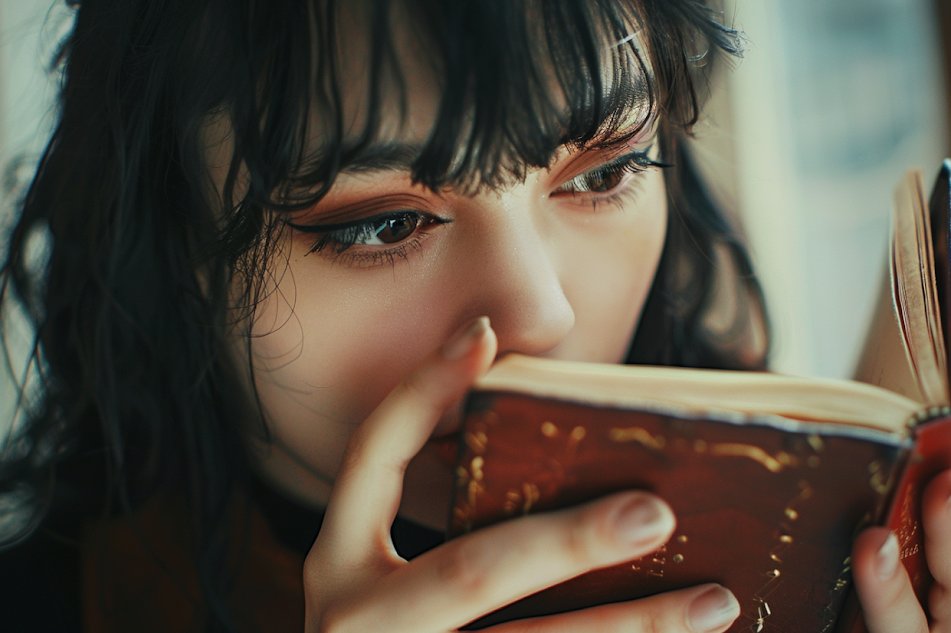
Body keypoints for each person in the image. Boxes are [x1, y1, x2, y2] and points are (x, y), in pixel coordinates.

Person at [0, 1, 948, 631]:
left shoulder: (814, 536)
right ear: (173, 246)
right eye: (384, 224)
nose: (541, 316)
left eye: (605, 173)